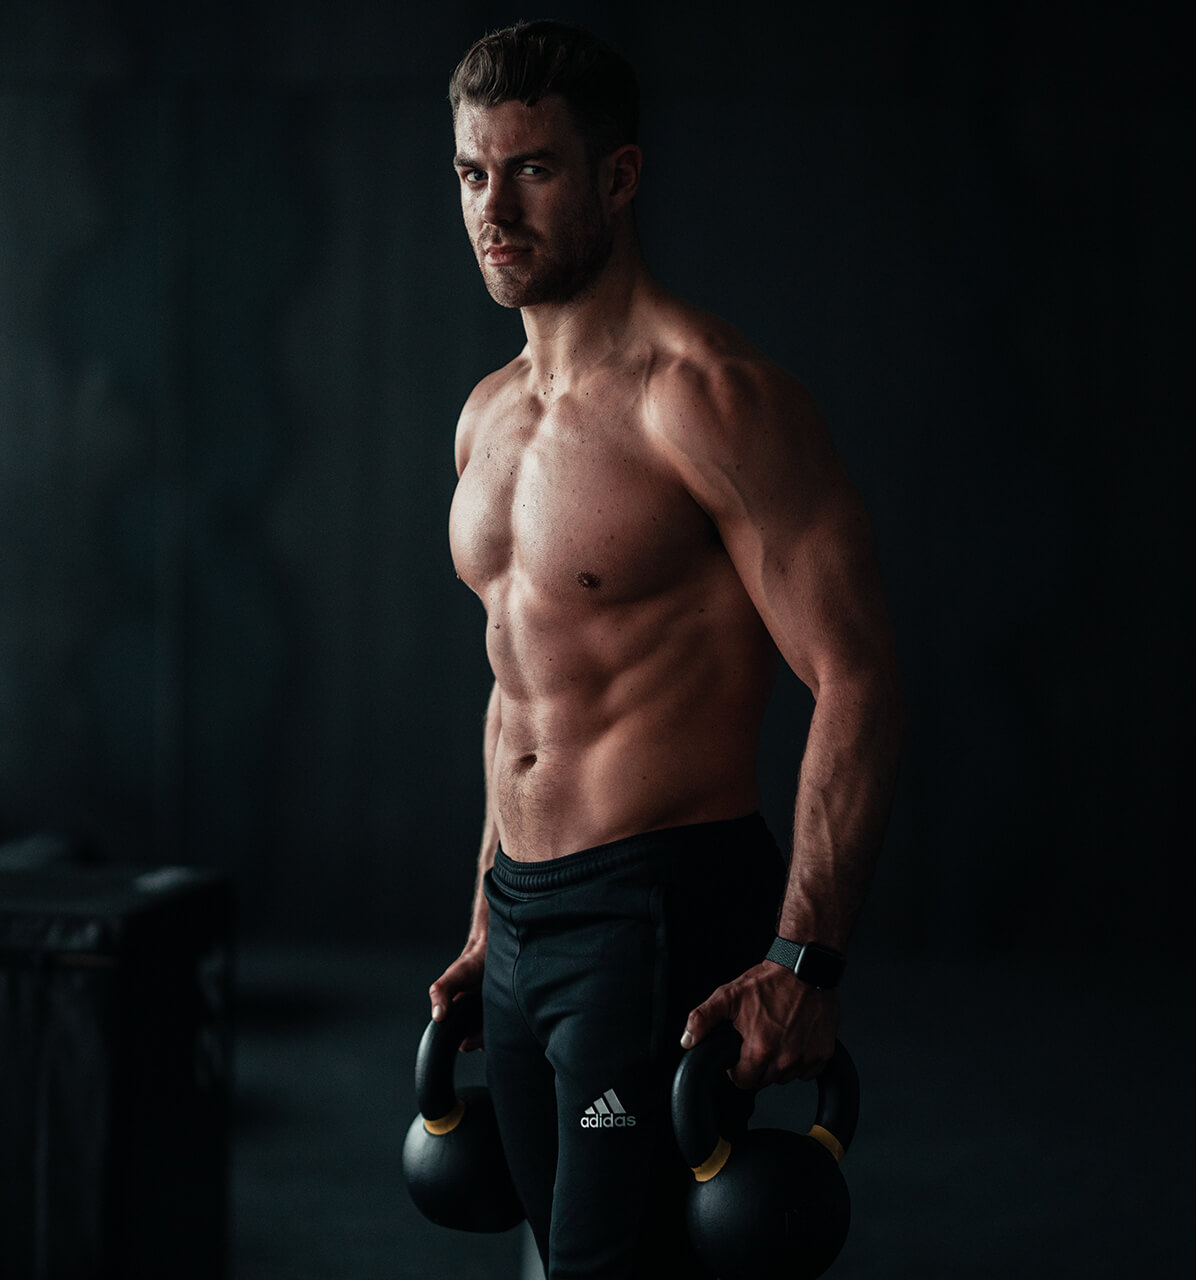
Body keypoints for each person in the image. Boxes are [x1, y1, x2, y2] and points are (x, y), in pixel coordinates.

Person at [426, 20, 903, 1278]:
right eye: (474, 174)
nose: (496, 208)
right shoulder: (488, 418)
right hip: (526, 925)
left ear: (618, 176)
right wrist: (487, 914)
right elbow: (515, 685)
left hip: (656, 913)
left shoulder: (711, 398)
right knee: (555, 1245)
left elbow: (857, 674)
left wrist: (803, 956)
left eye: (532, 169)